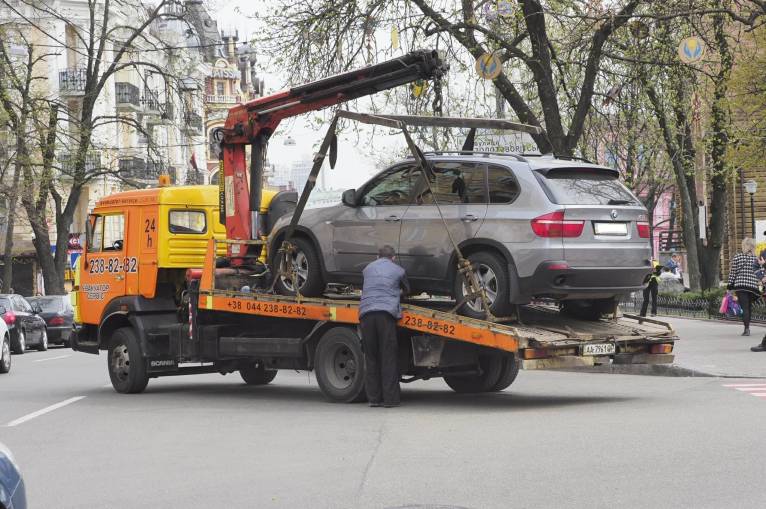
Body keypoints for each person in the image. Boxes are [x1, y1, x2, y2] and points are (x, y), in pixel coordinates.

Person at [359, 245, 410, 408]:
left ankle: (374, 399)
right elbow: (408, 289)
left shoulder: (367, 269)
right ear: (393, 257)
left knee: (371, 357)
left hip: (366, 315)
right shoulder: (399, 270)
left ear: (377, 256)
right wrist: (397, 292)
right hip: (385, 315)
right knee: (388, 357)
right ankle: (390, 400)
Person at [727, 238, 760, 337]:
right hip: (753, 287)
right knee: (748, 307)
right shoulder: (757, 258)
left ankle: (746, 329)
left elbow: (733, 273)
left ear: (744, 246)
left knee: (744, 307)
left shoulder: (738, 257)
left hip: (741, 286)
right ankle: (747, 327)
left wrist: (729, 286)